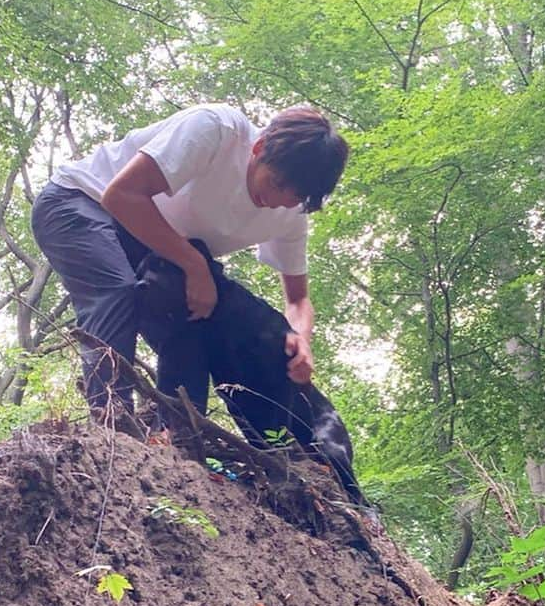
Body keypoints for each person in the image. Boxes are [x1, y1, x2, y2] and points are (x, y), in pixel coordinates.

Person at [30, 103, 348, 415]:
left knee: (193, 316)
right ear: (260, 147)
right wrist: (194, 265)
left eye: (291, 198)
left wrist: (302, 340)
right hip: (78, 200)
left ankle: (178, 435)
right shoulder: (216, 130)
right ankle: (112, 424)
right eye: (276, 184)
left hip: (148, 241)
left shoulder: (290, 215)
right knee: (117, 290)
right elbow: (120, 195)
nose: (276, 200)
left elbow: (298, 299)